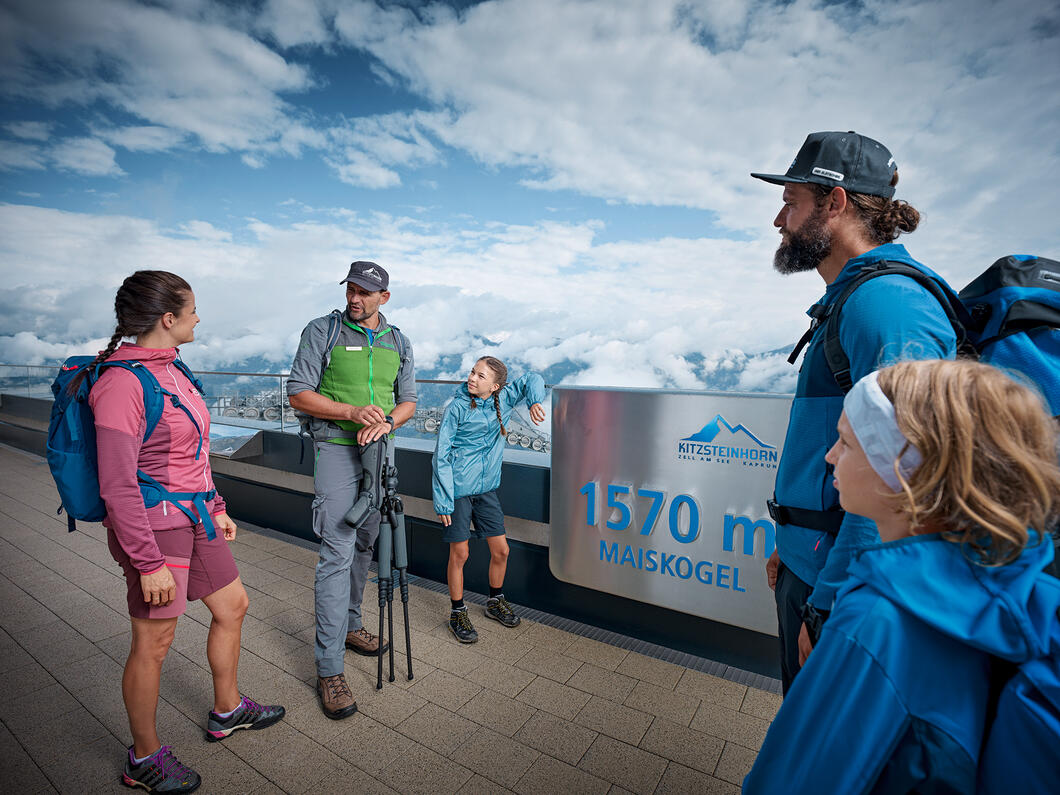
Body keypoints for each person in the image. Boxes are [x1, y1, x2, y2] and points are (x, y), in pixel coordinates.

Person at [744, 359, 1060, 793]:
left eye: (846, 443)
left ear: (904, 471)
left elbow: (796, 778)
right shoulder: (1017, 584)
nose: (830, 455)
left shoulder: (876, 623)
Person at [750, 131, 958, 692]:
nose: (779, 220)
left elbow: (905, 476)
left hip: (841, 587)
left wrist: (830, 603)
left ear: (834, 203)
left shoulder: (888, 307)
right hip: (813, 561)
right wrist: (793, 546)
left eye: (791, 202)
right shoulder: (854, 300)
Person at [87, 271, 284, 793]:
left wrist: (216, 504)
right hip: (155, 529)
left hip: (196, 518)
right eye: (192, 310)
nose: (199, 318)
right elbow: (118, 484)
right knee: (155, 642)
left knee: (233, 605)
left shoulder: (174, 370)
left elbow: (192, 452)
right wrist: (148, 562)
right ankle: (143, 758)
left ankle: (228, 710)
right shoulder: (120, 384)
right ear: (167, 319)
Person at [287, 260, 416, 719]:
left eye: (365, 292)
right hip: (336, 450)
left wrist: (384, 423)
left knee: (366, 543)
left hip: (380, 452)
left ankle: (352, 625)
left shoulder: (399, 340)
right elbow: (299, 394)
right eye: (351, 289)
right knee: (338, 550)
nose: (355, 298)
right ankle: (329, 669)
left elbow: (409, 402)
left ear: (384, 297)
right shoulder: (322, 331)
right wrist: (352, 412)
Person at [432, 356, 545, 642]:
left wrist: (533, 401)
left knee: (501, 550)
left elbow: (532, 377)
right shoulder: (456, 407)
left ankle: (495, 601)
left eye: (480, 376)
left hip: (486, 490)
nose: (472, 378)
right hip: (457, 492)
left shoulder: (504, 399)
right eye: (472, 372)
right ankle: (457, 612)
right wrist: (443, 500)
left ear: (495, 386)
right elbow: (441, 455)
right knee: (460, 554)